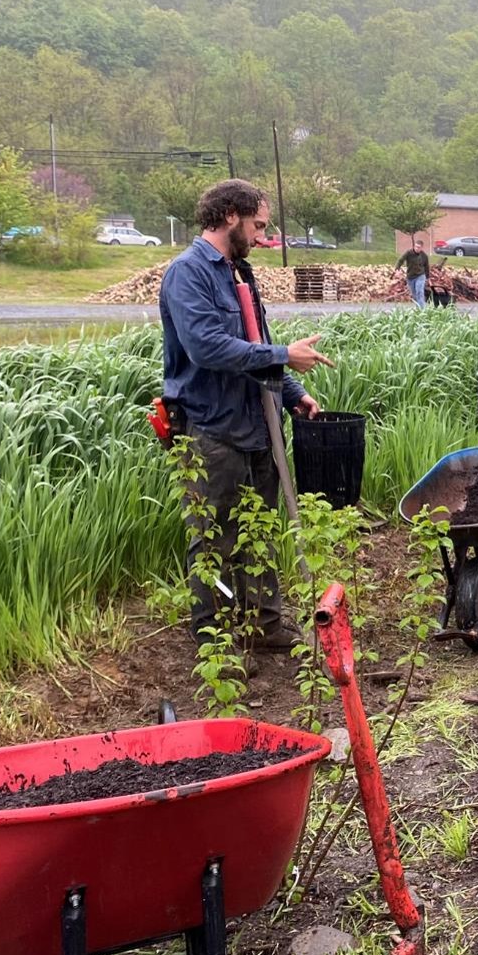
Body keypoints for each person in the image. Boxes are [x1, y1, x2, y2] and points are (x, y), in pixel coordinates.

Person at [159, 178, 333, 651]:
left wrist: (293, 390)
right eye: (258, 225)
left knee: (259, 529)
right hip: (212, 429)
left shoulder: (240, 273)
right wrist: (282, 356)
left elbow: (255, 342)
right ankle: (216, 640)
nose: (261, 236)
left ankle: (264, 626)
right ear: (231, 215)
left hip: (259, 424)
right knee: (213, 538)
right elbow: (206, 347)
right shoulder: (188, 272)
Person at [396, 239, 430, 307]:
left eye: (419, 247)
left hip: (420, 276)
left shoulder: (424, 256)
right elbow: (401, 260)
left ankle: (423, 310)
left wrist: (427, 277)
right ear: (414, 246)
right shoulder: (409, 253)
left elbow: (426, 267)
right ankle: (418, 308)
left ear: (422, 248)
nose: (417, 248)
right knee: (414, 295)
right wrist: (397, 269)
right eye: (416, 246)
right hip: (410, 277)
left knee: (419, 292)